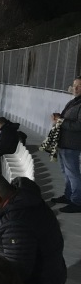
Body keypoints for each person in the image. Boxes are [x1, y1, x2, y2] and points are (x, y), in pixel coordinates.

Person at [51, 76, 81, 213]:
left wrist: (61, 120)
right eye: (74, 85)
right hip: (64, 142)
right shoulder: (74, 102)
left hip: (72, 144)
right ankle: (69, 195)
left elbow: (79, 125)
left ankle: (77, 201)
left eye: (79, 86)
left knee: (73, 174)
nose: (75, 88)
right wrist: (59, 117)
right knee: (66, 172)